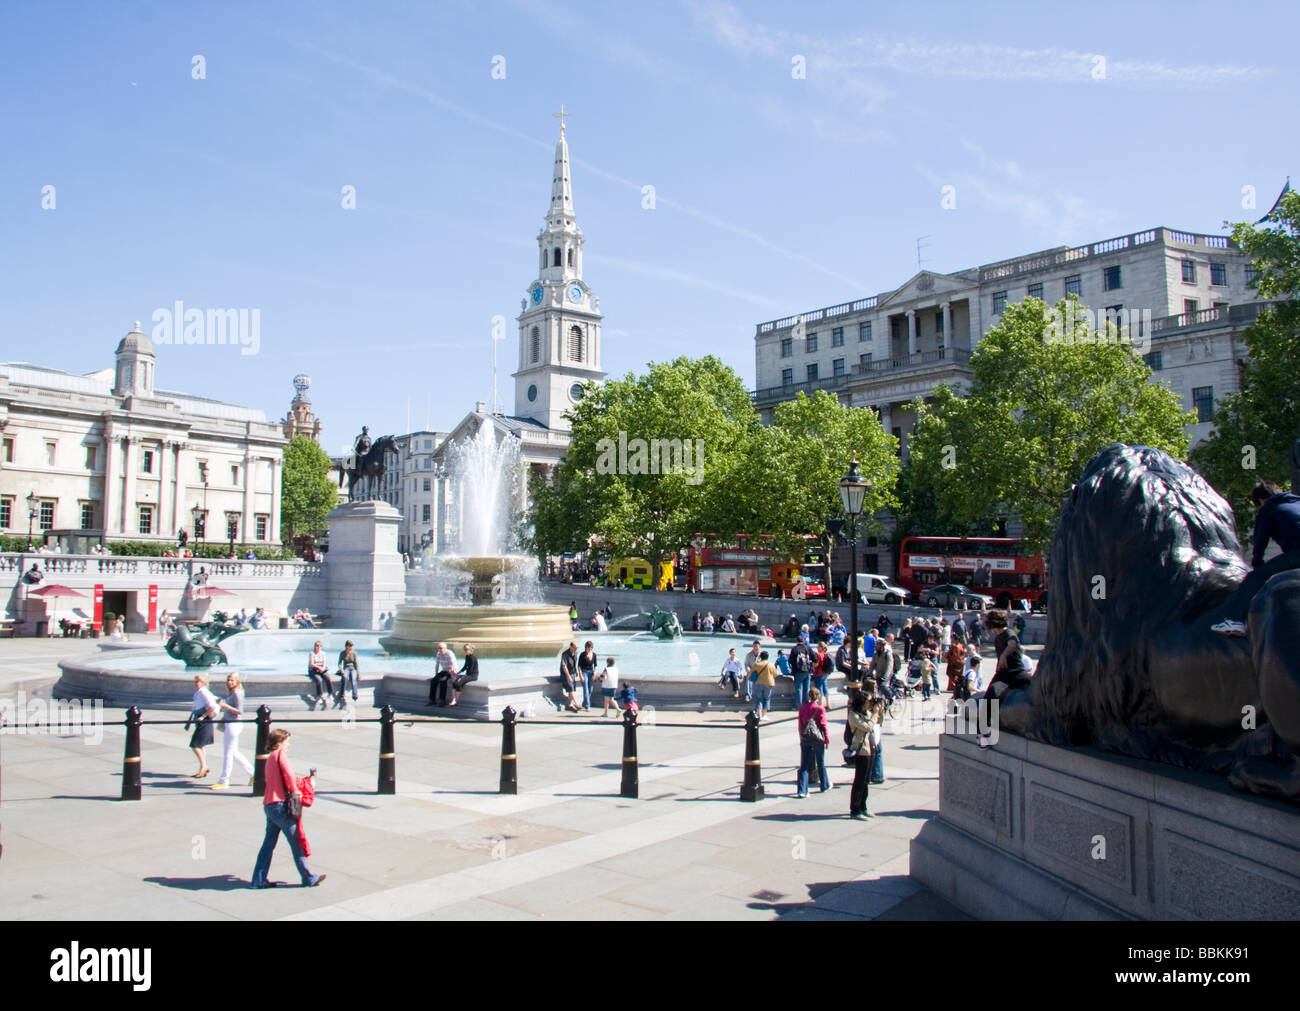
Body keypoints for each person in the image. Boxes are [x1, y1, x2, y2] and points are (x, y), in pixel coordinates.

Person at [1213, 479, 1300, 636]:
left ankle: (1235, 620)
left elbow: (1260, 542)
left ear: (1261, 500)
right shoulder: (1297, 503)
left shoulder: (1269, 508)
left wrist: (1257, 565)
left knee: (1255, 577)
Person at [251, 728, 325, 889]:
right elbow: (289, 775)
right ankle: (308, 877)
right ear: (279, 743)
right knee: (296, 842)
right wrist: (296, 791)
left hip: (269, 805)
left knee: (268, 845)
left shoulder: (270, 758)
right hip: (280, 805)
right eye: (287, 742)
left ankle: (258, 879)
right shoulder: (280, 755)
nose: (288, 745)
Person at [211, 672, 255, 790]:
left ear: (237, 682)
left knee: (228, 754)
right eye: (229, 680)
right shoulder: (234, 692)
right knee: (234, 752)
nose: (230, 682)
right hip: (230, 723)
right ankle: (253, 774)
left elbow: (239, 711)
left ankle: (224, 780)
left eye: (232, 680)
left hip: (233, 724)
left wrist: (224, 705)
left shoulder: (237, 693)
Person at [795, 687, 832, 798]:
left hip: (806, 738)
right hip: (817, 738)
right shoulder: (820, 709)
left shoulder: (803, 708)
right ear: (818, 696)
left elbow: (800, 724)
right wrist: (826, 739)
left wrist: (801, 736)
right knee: (820, 763)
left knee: (804, 765)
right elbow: (823, 725)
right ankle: (824, 785)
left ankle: (802, 790)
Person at [845, 688, 875, 819]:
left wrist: (877, 710)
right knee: (859, 780)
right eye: (868, 702)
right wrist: (875, 714)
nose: (870, 704)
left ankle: (863, 806)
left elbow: (875, 722)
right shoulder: (853, 715)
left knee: (865, 781)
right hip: (860, 750)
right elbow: (868, 726)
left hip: (869, 749)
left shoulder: (866, 713)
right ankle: (855, 809)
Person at [186, 673, 219, 778]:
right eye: (195, 681)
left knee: (195, 745)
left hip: (205, 721)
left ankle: (204, 766)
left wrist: (203, 716)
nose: (196, 683)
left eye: (198, 681)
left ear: (204, 682)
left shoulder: (204, 692)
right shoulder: (199, 692)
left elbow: (212, 706)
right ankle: (203, 767)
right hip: (202, 721)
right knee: (201, 745)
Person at [751, 650, 778, 720]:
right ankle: (764, 715)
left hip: (758, 683)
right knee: (766, 699)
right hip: (768, 683)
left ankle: (759, 715)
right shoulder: (771, 665)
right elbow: (775, 674)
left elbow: (751, 673)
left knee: (759, 699)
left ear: (760, 657)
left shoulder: (757, 664)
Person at [427, 641, 456, 707]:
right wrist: (436, 674)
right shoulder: (438, 654)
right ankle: (432, 700)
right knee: (433, 681)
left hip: (450, 671)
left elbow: (452, 665)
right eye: (438, 648)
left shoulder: (450, 653)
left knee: (443, 681)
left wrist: (451, 676)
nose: (439, 649)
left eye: (441, 648)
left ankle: (442, 700)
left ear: (445, 648)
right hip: (444, 670)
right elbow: (437, 665)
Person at [306, 640, 332, 708]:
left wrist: (322, 668)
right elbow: (311, 664)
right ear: (314, 646)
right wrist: (318, 668)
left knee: (328, 678)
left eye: (319, 646)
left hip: (322, 669)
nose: (318, 647)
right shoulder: (312, 653)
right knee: (319, 680)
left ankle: (330, 693)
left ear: (321, 647)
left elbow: (324, 663)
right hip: (314, 670)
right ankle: (319, 695)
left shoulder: (323, 653)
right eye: (316, 646)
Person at [789, 638, 814, 707]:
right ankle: (806, 704)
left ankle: (799, 706)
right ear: (803, 641)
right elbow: (814, 658)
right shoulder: (808, 648)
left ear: (796, 641)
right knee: (806, 689)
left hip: (798, 671)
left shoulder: (794, 649)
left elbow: (790, 660)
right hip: (807, 671)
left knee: (799, 689)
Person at [336, 639, 361, 705]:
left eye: (351, 646)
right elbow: (339, 663)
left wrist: (358, 673)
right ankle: (342, 694)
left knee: (353, 679)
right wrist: (341, 669)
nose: (350, 648)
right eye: (349, 646)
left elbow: (356, 664)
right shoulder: (342, 653)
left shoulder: (354, 653)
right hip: (346, 668)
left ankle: (355, 695)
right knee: (344, 678)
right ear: (346, 646)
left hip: (353, 668)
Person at [559, 641, 581, 713]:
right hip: (566, 674)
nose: (576, 649)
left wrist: (576, 671)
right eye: (575, 648)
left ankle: (570, 704)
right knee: (570, 689)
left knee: (571, 689)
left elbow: (575, 663)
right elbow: (564, 666)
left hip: (572, 672)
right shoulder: (565, 654)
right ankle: (576, 703)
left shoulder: (575, 653)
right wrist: (568, 676)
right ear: (571, 647)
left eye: (577, 648)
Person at [577, 640, 599, 710]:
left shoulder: (594, 655)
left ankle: (584, 703)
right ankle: (587, 706)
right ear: (586, 647)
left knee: (590, 689)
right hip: (584, 672)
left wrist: (595, 673)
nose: (589, 649)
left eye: (591, 648)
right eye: (588, 647)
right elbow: (579, 666)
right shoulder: (582, 654)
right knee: (585, 689)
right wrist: (580, 675)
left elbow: (595, 665)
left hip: (591, 672)